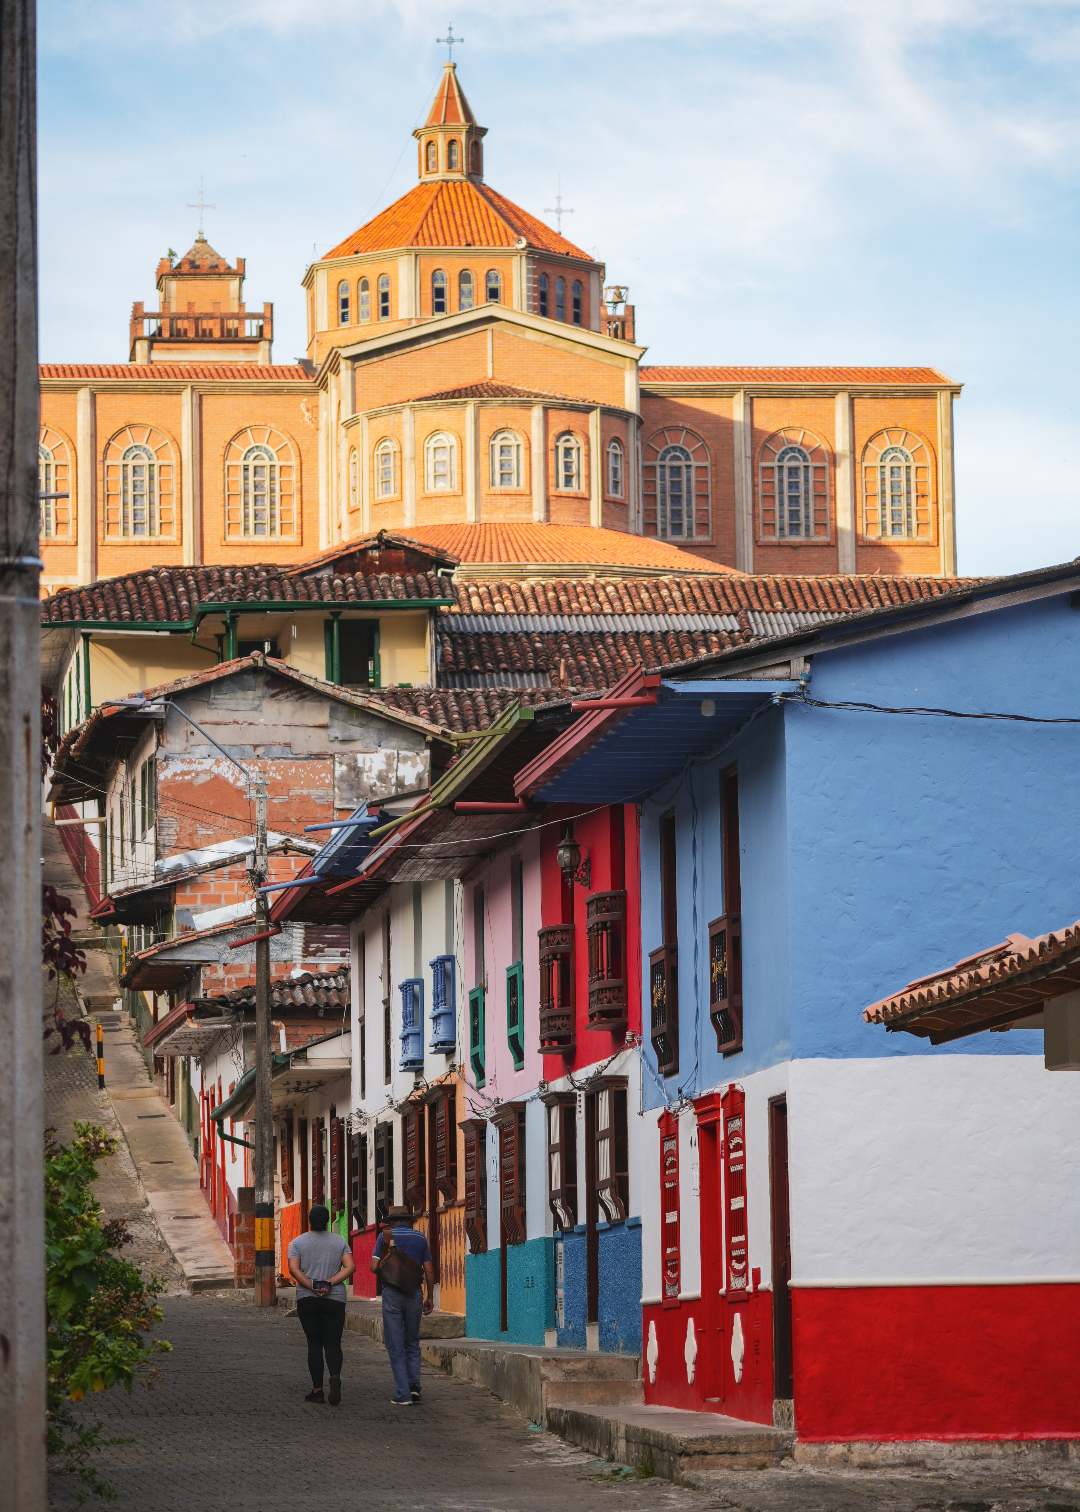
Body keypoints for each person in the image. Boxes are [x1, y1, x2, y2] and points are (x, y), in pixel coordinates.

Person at [287, 1203, 355, 1405]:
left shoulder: (297, 1243)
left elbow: (293, 1269)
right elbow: (350, 1266)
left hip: (307, 1299)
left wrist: (311, 1285)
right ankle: (335, 1376)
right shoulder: (339, 1241)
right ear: (327, 1221)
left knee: (314, 1343)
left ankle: (317, 1390)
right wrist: (330, 1283)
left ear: (310, 1221)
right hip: (334, 1299)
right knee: (333, 1343)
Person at [371, 1205, 434, 1406]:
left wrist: (389, 1260)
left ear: (391, 1221)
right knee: (412, 1342)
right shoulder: (420, 1238)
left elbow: (373, 1267)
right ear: (409, 1220)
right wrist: (430, 1296)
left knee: (395, 1343)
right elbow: (429, 1271)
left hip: (392, 1294)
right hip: (414, 1293)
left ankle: (402, 1393)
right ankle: (414, 1387)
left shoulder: (385, 1237)